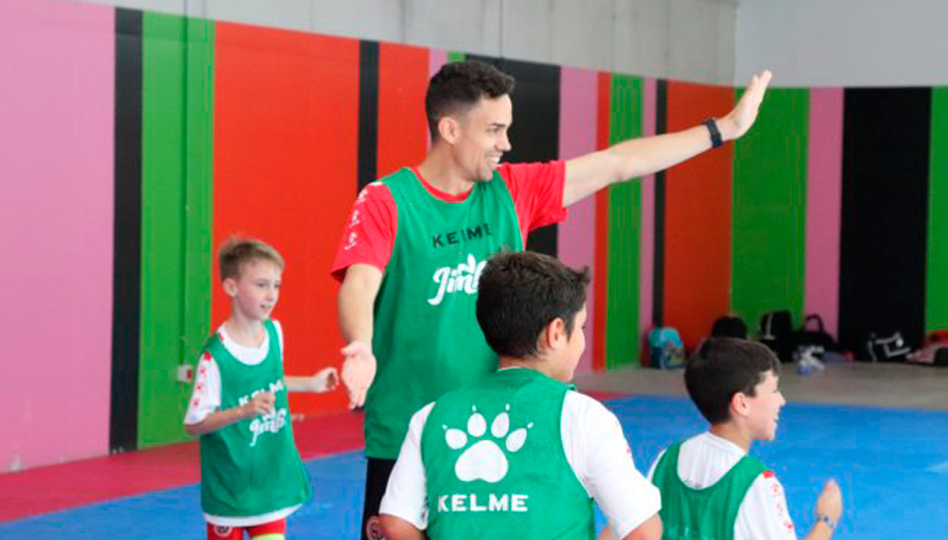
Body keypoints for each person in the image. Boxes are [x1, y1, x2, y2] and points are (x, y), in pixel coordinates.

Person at [332, 59, 773, 539]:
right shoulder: (388, 199)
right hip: (407, 428)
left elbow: (617, 163)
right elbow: (361, 280)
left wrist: (722, 129)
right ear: (450, 128)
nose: (507, 144)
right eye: (495, 130)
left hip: (511, 425)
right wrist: (360, 343)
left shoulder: (511, 192)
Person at [378, 251, 663, 540]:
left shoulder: (431, 417)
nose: (582, 340)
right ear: (555, 332)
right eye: (581, 327)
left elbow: (394, 521)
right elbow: (643, 529)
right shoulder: (584, 418)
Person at [185, 237, 339, 540]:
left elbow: (271, 383)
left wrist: (311, 383)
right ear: (231, 287)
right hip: (231, 487)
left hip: (271, 481)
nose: (271, 295)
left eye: (276, 285)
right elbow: (195, 423)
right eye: (261, 285)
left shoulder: (274, 332)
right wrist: (245, 410)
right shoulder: (215, 357)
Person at [646, 338, 843, 540]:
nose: (781, 400)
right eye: (774, 390)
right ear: (741, 403)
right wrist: (826, 520)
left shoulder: (665, 460)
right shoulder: (756, 483)